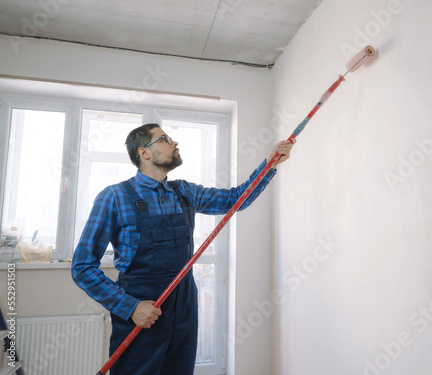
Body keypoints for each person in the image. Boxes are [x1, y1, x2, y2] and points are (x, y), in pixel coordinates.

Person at [71, 123, 295, 375]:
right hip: (143, 306)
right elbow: (82, 267)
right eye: (165, 139)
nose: (174, 143)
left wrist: (269, 164)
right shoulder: (114, 197)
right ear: (144, 153)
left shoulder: (184, 192)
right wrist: (130, 307)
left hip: (184, 302)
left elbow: (235, 199)